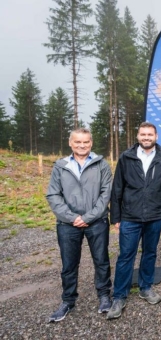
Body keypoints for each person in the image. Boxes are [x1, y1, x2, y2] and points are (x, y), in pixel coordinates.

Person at [107, 122, 161, 320]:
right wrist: (116, 216)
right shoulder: (127, 157)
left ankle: (146, 287)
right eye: (143, 134)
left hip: (155, 215)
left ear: (156, 136)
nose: (146, 137)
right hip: (130, 216)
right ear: (138, 136)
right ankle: (119, 296)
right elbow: (117, 188)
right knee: (125, 256)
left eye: (150, 134)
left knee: (150, 253)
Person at [46, 128, 113, 322]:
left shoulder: (101, 165)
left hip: (97, 222)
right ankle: (68, 300)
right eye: (77, 142)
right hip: (67, 224)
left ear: (91, 143)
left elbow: (106, 193)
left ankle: (103, 296)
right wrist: (72, 217)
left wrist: (89, 217)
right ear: (70, 143)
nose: (82, 145)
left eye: (85, 142)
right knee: (69, 264)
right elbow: (53, 194)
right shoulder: (61, 166)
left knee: (101, 261)